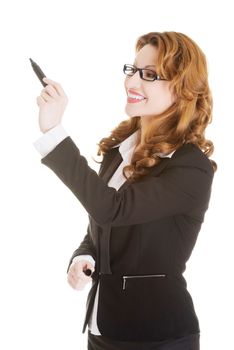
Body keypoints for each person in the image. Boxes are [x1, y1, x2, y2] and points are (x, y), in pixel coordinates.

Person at [33, 31, 216, 350]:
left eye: (149, 75)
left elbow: (113, 209)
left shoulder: (190, 167)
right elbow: (102, 222)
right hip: (103, 329)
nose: (132, 83)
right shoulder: (119, 151)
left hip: (158, 338)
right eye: (132, 70)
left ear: (182, 88)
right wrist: (85, 254)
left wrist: (54, 133)